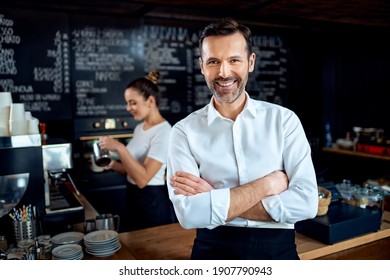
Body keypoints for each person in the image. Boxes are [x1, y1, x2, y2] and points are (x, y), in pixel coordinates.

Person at [166, 18, 318, 260]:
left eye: (234, 60)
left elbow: (307, 204)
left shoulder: (284, 121)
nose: (224, 72)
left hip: (278, 251)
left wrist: (214, 200)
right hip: (211, 251)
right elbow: (188, 214)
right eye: (213, 61)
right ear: (202, 66)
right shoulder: (183, 132)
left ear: (251, 62)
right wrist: (265, 186)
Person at [99, 70, 175, 231]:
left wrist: (119, 148)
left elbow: (143, 179)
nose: (128, 108)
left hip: (152, 202)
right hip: (133, 197)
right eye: (127, 103)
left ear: (150, 101)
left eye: (133, 102)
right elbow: (132, 171)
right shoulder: (140, 128)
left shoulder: (164, 132)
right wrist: (112, 164)